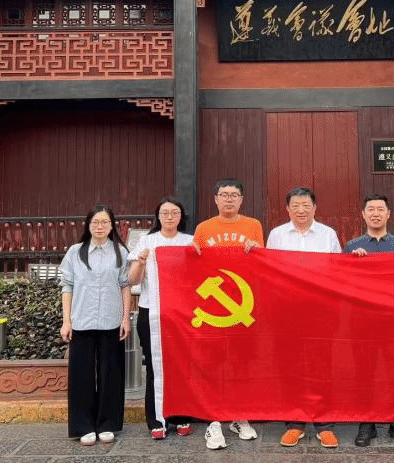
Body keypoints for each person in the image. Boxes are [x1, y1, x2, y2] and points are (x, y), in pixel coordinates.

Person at [266, 186, 342, 448]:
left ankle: (324, 424)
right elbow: (269, 271)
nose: (301, 210)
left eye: (306, 205)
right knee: (290, 366)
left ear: (315, 208)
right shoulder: (276, 235)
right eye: (296, 205)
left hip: (321, 311)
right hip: (287, 312)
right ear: (287, 209)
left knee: (322, 367)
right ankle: (295, 423)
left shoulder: (328, 234)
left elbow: (338, 270)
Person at [192, 178, 263, 450]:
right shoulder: (203, 228)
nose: (229, 199)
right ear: (215, 199)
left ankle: (238, 416)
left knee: (241, 364)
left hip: (244, 304)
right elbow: (193, 264)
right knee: (213, 364)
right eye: (224, 194)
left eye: (234, 195)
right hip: (213, 309)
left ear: (242, 200)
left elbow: (264, 262)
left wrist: (258, 251)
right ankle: (213, 421)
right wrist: (189, 253)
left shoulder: (253, 225)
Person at [343, 194, 394, 448]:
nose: (375, 213)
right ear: (363, 215)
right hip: (363, 321)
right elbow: (342, 283)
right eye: (370, 209)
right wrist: (354, 264)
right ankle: (367, 422)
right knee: (365, 373)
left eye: (380, 209)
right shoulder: (352, 246)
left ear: (388, 214)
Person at [60, 205, 131, 447]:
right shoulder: (75, 252)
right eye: (95, 222)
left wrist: (125, 319)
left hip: (111, 321)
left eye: (105, 222)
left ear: (112, 226)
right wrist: (66, 321)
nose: (100, 226)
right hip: (82, 321)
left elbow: (125, 286)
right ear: (88, 225)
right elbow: (67, 286)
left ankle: (108, 424)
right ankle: (83, 425)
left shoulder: (120, 252)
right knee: (81, 375)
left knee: (111, 374)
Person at [127, 197, 195, 440]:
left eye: (174, 212)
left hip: (181, 313)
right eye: (165, 212)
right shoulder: (147, 241)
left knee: (181, 365)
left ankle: (181, 416)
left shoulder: (189, 241)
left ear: (181, 216)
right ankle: (157, 419)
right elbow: (133, 280)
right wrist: (141, 262)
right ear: (158, 216)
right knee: (155, 366)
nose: (169, 217)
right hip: (152, 311)